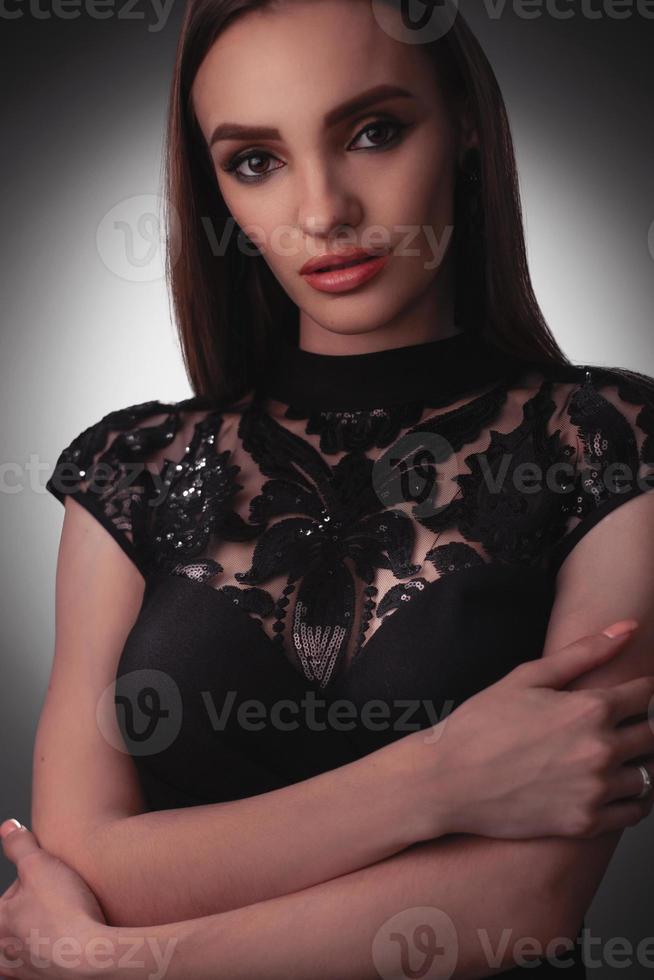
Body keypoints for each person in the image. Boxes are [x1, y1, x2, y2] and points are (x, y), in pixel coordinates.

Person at [12, 1, 654, 977]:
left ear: (468, 125)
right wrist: (436, 779)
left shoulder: (610, 441)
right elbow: (88, 860)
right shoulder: (128, 467)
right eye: (256, 160)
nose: (323, 212)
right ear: (214, 187)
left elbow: (525, 900)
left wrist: (112, 962)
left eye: (373, 132)